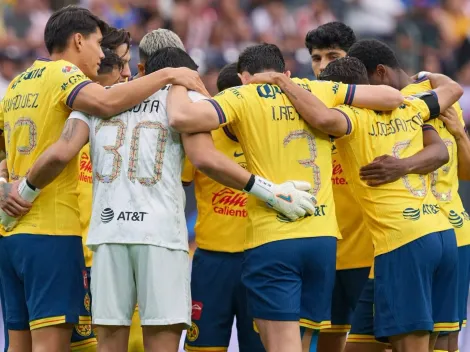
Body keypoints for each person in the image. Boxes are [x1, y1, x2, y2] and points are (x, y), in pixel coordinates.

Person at [5, 46, 317, 352]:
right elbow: (205, 159)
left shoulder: (100, 99)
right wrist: (270, 192)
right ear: (184, 76)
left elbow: (60, 152)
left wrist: (21, 192)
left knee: (109, 343)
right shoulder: (184, 100)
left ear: (145, 71)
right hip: (160, 237)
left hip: (108, 235)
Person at [166, 43, 405, 352]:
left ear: (243, 77)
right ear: (285, 71)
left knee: (279, 346)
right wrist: (293, 86)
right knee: (303, 344)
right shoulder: (313, 88)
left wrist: (175, 81)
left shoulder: (244, 94)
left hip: (275, 236)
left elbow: (181, 118)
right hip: (322, 240)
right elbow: (393, 97)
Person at [0, 5, 209, 351]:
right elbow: (104, 107)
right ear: (78, 41)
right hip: (53, 231)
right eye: (99, 45)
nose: (103, 56)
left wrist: (4, 188)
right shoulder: (69, 78)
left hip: (13, 234)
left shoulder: (19, 84)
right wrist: (167, 76)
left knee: (19, 344)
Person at [266, 55, 461, 352]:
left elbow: (320, 118)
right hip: (441, 233)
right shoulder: (412, 106)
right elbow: (452, 90)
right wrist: (430, 75)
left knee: (414, 346)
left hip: (403, 240)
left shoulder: (352, 119)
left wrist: (282, 80)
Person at [348, 39, 470, 352]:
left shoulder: (402, 105)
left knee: (438, 342)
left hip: (431, 234)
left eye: (364, 84)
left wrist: (402, 166)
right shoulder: (439, 96)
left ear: (379, 73)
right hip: (406, 238)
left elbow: (456, 165)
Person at [182, 62, 265, 352]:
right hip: (211, 262)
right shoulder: (201, 139)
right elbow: (178, 186)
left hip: (259, 259)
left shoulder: (270, 137)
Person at [305, 22, 373, 352]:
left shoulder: (378, 109)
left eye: (332, 56)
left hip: (369, 254)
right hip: (324, 254)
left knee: (372, 344)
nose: (323, 66)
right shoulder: (302, 112)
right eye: (316, 58)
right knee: (327, 344)